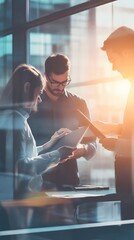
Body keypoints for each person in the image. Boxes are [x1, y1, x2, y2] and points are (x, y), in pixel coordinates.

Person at [0, 63, 76, 198]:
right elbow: (21, 166)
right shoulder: (15, 120)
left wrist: (48, 145)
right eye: (39, 93)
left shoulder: (13, 117)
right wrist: (57, 155)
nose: (39, 99)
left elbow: (21, 155)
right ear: (27, 87)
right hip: (18, 198)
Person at [28, 54, 97, 188]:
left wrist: (83, 149)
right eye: (55, 82)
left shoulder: (79, 103)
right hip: (37, 185)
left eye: (64, 82)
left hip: (69, 183)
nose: (60, 87)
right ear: (46, 76)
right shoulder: (31, 103)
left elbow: (93, 143)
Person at [93, 26, 134, 196]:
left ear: (125, 53)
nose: (113, 68)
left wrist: (117, 144)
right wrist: (112, 128)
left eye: (112, 60)